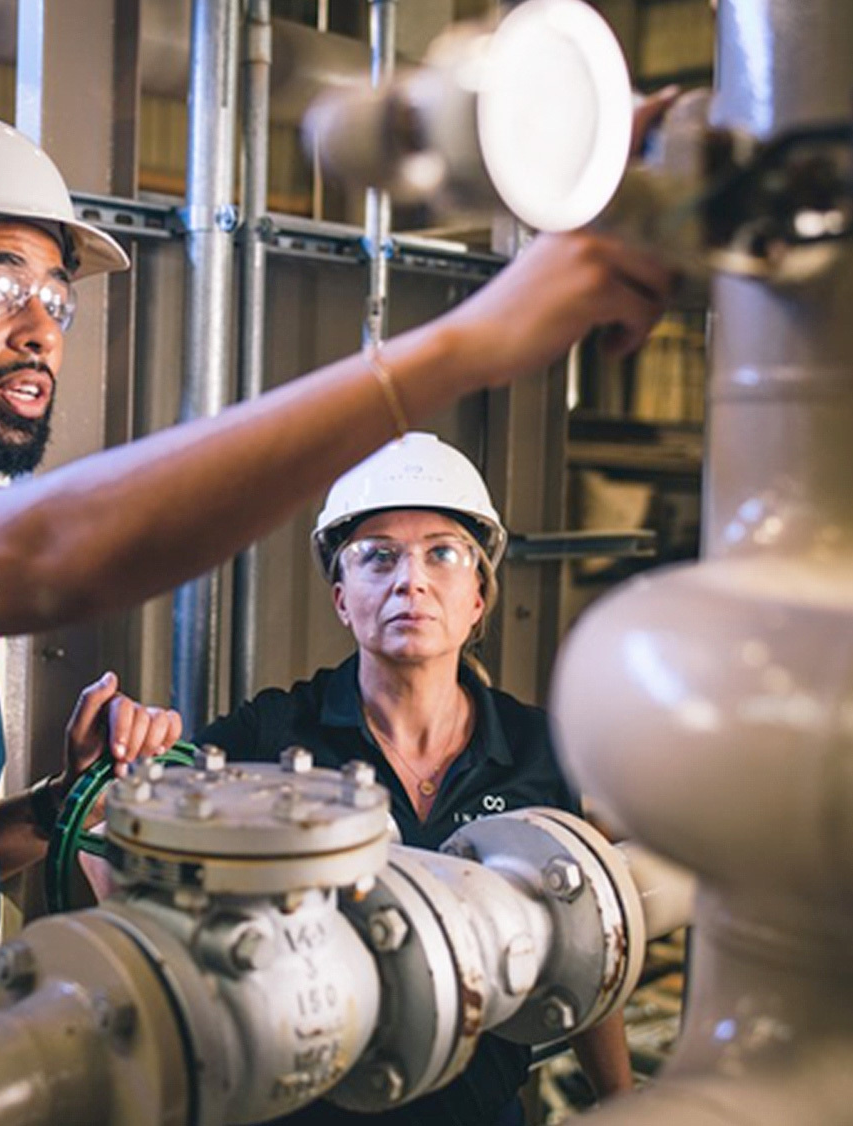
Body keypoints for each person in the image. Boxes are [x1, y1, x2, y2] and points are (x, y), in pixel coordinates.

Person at [0, 105, 675, 1059]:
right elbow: (60, 552)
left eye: (55, 298)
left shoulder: (539, 746)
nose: (38, 330)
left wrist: (58, 808)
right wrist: (468, 344)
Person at [97, 433, 628, 1125]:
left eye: (443, 553)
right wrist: (116, 770)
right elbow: (123, 848)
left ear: (477, 597)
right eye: (380, 557)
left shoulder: (540, 749)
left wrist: (624, 1101)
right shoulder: (273, 734)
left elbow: (591, 941)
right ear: (343, 599)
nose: (412, 580)